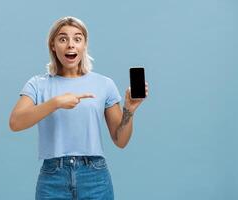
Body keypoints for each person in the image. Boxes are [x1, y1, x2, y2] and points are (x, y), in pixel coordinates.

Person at [9, 16, 148, 200]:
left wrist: (129, 110)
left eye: (77, 38)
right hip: (53, 177)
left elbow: (120, 140)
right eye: (63, 38)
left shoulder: (104, 84)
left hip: (94, 176)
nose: (70, 45)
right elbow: (15, 122)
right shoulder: (38, 84)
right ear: (53, 45)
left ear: (84, 45)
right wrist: (56, 102)